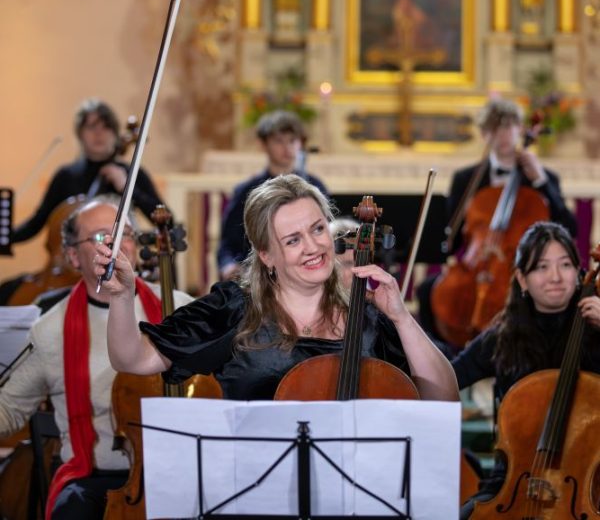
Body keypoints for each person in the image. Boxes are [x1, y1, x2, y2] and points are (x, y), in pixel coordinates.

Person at [98, 174, 458, 404]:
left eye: (318, 229)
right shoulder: (234, 309)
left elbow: (444, 400)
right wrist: (121, 297)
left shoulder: (365, 314)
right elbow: (133, 359)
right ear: (267, 255)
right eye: (293, 240)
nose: (313, 247)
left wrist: (401, 318)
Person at [0, 198, 193, 519]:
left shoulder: (181, 308)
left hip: (177, 472)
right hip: (93, 478)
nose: (117, 245)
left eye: (125, 234)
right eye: (102, 236)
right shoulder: (50, 330)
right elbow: (9, 410)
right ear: (73, 256)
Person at [452, 221, 600, 518]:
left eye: (565, 265)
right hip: (512, 484)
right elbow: (449, 378)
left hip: (588, 487)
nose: (555, 277)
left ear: (578, 272)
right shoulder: (503, 336)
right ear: (522, 278)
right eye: (542, 267)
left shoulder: (596, 330)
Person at [416, 97, 577, 344]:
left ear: (519, 129)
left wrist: (541, 181)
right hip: (477, 267)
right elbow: (451, 240)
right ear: (484, 134)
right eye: (494, 128)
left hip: (521, 269)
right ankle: (441, 358)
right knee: (427, 290)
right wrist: (454, 232)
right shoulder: (466, 179)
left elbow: (569, 228)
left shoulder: (543, 177)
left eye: (508, 126)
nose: (502, 134)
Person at [12, 98, 164, 244]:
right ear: (80, 134)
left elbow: (166, 223)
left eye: (106, 127)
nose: (99, 133)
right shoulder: (65, 176)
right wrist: (6, 237)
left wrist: (129, 188)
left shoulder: (132, 174)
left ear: (115, 134)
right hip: (69, 261)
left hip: (119, 258)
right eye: (91, 127)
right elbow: (36, 224)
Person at [217, 110, 329, 281]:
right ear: (263, 144)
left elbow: (328, 233)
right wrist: (229, 266)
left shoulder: (315, 186)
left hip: (306, 270)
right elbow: (228, 243)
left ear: (301, 143)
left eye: (292, 140)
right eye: (278, 141)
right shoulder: (247, 190)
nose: (287, 148)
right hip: (257, 276)